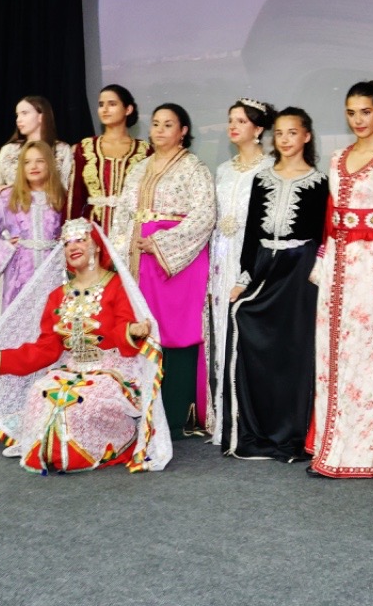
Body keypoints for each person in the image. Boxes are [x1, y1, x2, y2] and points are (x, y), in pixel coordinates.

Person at [0, 218, 171, 475]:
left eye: (80, 240)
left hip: (113, 369)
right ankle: (54, 452)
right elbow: (46, 349)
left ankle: (117, 441)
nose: (73, 247)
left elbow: (124, 335)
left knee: (83, 401)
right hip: (72, 370)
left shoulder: (117, 286)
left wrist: (133, 331)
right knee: (41, 392)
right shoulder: (57, 296)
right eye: (66, 243)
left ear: (96, 246)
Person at [308, 80, 373, 479]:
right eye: (351, 113)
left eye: (365, 112)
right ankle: (329, 443)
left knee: (369, 359)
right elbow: (329, 215)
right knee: (331, 356)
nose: (358, 120)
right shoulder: (337, 159)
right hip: (338, 268)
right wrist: (324, 261)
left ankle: (361, 451)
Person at [219, 107, 327, 462]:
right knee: (245, 321)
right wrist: (244, 277)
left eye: (292, 132)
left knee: (296, 350)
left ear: (306, 136)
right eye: (279, 133)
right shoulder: (262, 179)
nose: (285, 139)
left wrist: (319, 274)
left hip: (301, 271)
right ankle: (256, 429)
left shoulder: (320, 182)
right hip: (266, 266)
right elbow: (252, 233)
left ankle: (294, 432)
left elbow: (323, 235)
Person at [113, 103, 215, 436]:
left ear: (183, 131)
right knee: (145, 329)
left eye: (168, 124)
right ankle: (145, 409)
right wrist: (119, 253)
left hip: (178, 262)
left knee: (178, 332)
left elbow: (204, 215)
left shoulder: (194, 168)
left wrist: (161, 244)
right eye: (155, 123)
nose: (159, 130)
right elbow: (123, 214)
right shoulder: (139, 168)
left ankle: (175, 413)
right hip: (140, 260)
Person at [0, 141, 69, 441]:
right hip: (21, 278)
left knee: (53, 335)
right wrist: (2, 248)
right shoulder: (9, 197)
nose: (33, 167)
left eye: (40, 161)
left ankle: (51, 413)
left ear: (50, 165)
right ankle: (16, 413)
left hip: (55, 276)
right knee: (22, 337)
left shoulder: (62, 197)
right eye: (27, 162)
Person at [206, 98, 275, 441]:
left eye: (241, 121)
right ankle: (223, 418)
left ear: (258, 128)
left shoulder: (272, 168)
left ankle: (250, 418)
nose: (233, 126)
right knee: (220, 331)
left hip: (251, 259)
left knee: (248, 332)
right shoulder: (222, 169)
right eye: (231, 120)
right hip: (221, 258)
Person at [0, 97, 72, 341]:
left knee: (53, 315)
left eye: (25, 113)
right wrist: (3, 243)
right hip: (18, 256)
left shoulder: (62, 152)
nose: (19, 119)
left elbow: (68, 199)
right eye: (17, 114)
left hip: (52, 259)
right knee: (15, 316)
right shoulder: (10, 153)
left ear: (41, 115)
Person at [66, 84, 150, 233]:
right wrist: (71, 234)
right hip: (92, 232)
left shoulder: (145, 151)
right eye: (101, 105)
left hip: (130, 231)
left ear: (128, 109)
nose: (104, 109)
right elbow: (75, 197)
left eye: (112, 104)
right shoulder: (85, 148)